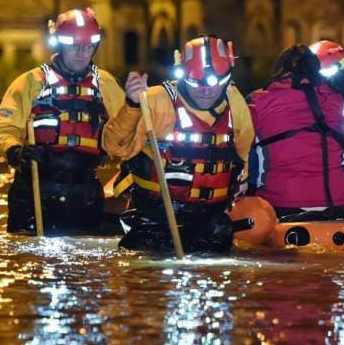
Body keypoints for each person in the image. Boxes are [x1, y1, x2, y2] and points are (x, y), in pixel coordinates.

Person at [103, 35, 254, 253]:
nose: (206, 91)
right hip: (156, 218)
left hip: (210, 220)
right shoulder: (155, 100)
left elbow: (243, 154)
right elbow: (114, 147)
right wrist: (133, 105)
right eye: (196, 83)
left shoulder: (235, 103)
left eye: (215, 84)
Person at [0, 7, 127, 234]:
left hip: (84, 191)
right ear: (59, 44)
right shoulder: (31, 82)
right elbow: (5, 128)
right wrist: (16, 151)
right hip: (35, 189)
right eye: (74, 47)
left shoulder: (105, 85)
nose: (81, 53)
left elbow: (127, 133)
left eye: (87, 47)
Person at [247, 42, 344, 220]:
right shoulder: (335, 100)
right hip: (337, 204)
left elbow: (242, 149)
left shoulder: (258, 102)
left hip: (281, 205)